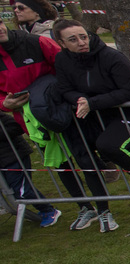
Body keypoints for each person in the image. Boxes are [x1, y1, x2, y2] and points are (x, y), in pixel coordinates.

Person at [49, 19, 130, 231]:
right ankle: (105, 211)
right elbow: (64, 88)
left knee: (111, 146)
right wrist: (80, 99)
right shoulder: (62, 60)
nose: (81, 42)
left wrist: (92, 102)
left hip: (129, 112)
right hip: (92, 115)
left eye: (83, 36)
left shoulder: (111, 57)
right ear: (61, 43)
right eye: (73, 39)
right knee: (90, 157)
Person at [0, 17, 93, 227]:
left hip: (64, 111)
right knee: (60, 165)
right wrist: (5, 104)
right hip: (31, 122)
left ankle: (105, 206)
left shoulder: (34, 42)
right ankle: (86, 208)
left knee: (85, 157)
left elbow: (66, 66)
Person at [0, 110, 59, 226]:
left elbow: (17, 127)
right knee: (15, 190)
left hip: (14, 157)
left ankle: (49, 210)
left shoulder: (2, 117)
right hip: (4, 163)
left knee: (22, 191)